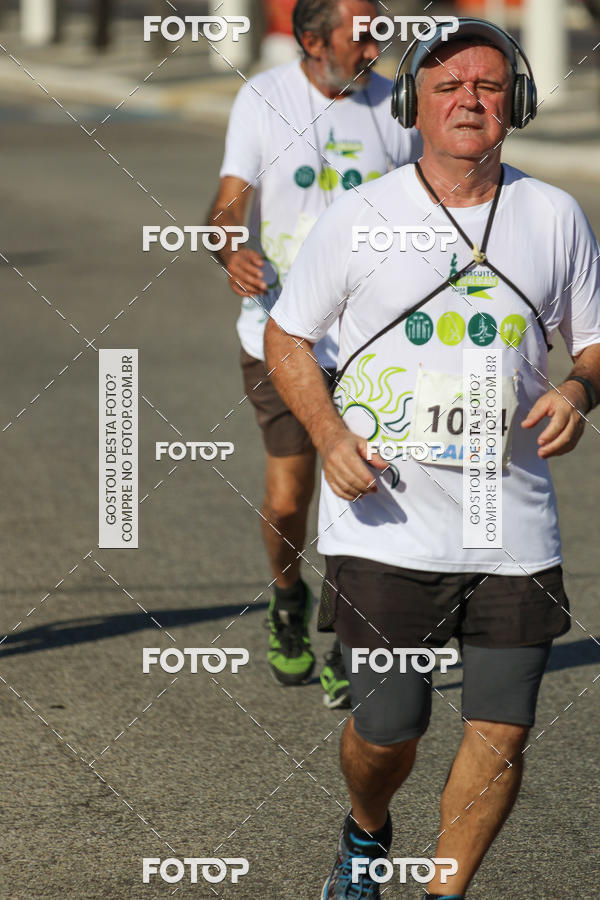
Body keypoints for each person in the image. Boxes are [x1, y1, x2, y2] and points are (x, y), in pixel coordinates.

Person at [265, 17, 600, 899]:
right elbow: (287, 337)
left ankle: (441, 893)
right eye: (449, 87)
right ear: (415, 105)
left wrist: (577, 391)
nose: (469, 102)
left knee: (503, 731)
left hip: (512, 525)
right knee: (388, 728)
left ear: (516, 103)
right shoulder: (361, 216)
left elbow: (594, 343)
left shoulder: (553, 215)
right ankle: (367, 830)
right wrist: (331, 436)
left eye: (488, 87)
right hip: (386, 523)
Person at [208, 0, 422, 705]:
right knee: (289, 495)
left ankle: (350, 641)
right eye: (362, 35)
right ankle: (285, 599)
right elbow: (228, 200)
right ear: (311, 40)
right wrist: (230, 245)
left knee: (362, 495)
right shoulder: (263, 97)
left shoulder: (397, 105)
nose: (374, 48)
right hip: (283, 334)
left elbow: (431, 207)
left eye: (379, 34)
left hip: (371, 342)